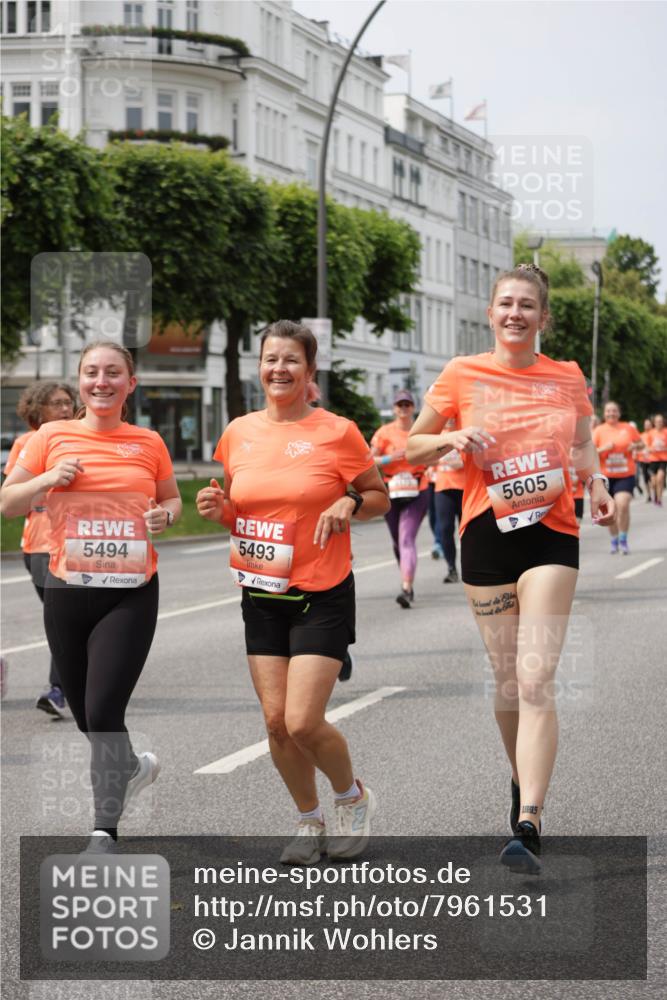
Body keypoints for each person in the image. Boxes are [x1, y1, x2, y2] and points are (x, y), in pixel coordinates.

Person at [407, 264, 615, 874]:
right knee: (506, 682)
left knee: (533, 678)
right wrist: (451, 439)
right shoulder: (461, 373)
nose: (515, 313)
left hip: (552, 536)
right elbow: (412, 446)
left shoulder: (567, 376)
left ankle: (529, 819)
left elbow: (582, 443)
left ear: (543, 317)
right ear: (491, 312)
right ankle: (522, 776)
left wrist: (596, 482)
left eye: (527, 305)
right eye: (506, 303)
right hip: (486, 537)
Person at [196, 320, 388, 865]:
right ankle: (309, 819)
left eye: (291, 360)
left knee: (303, 720)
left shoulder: (337, 432)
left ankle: (352, 798)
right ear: (259, 366)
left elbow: (378, 497)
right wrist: (221, 512)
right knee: (277, 724)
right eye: (271, 359)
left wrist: (349, 502)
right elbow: (243, 512)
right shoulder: (238, 433)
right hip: (261, 591)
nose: (279, 369)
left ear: (310, 370)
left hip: (321, 590)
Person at [1, 342, 182, 852]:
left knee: (103, 711)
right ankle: (131, 767)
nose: (101, 381)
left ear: (130, 383)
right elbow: (8, 502)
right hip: (66, 588)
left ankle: (104, 831)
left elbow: (171, 498)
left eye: (113, 372)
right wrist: (46, 479)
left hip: (130, 592)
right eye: (91, 372)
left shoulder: (148, 441)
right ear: (80, 381)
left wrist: (165, 515)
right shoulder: (50, 437)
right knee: (84, 715)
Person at [3, 381, 76, 717]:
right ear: (37, 410)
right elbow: (12, 498)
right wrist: (48, 480)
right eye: (56, 403)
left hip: (78, 543)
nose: (65, 408)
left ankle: (59, 689)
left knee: (64, 620)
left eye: (68, 402)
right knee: (62, 620)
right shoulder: (26, 444)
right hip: (39, 546)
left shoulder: (82, 439)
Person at [370, 390, 429, 607]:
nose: (403, 408)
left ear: (413, 407)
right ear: (394, 408)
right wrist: (389, 458)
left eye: (407, 404)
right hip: (392, 490)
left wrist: (423, 459)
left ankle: (406, 588)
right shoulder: (384, 432)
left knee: (406, 538)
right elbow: (369, 460)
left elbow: (435, 454)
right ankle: (407, 578)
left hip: (418, 489)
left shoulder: (422, 431)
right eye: (399, 405)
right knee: (397, 541)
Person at [592, 402, 642, 554]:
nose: (611, 413)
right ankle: (614, 539)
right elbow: (590, 453)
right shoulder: (599, 430)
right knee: (610, 511)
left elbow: (642, 444)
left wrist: (635, 446)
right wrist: (604, 448)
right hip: (605, 478)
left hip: (625, 475)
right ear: (604, 414)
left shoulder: (628, 428)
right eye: (608, 411)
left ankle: (623, 539)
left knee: (622, 504)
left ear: (619, 413)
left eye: (614, 411)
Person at [432, 419, 466, 583]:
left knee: (468, 531)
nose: (449, 418)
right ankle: (451, 568)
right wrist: (431, 465)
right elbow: (426, 458)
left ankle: (469, 567)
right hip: (444, 488)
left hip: (466, 487)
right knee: (445, 529)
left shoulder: (465, 429)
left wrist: (462, 461)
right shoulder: (436, 435)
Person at [646, 413, 667, 506]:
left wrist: (663, 448)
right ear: (654, 423)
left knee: (660, 478)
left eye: (661, 421)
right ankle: (655, 495)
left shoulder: (666, 432)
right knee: (654, 482)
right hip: (653, 460)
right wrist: (651, 448)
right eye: (657, 421)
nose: (659, 423)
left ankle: (659, 499)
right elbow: (647, 447)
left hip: (663, 459)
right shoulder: (651, 433)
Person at [638, 418, 654, 503]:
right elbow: (638, 447)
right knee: (645, 478)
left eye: (648, 424)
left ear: (651, 425)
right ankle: (648, 495)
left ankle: (655, 492)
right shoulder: (641, 435)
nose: (647, 426)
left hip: (653, 459)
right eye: (646, 424)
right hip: (643, 459)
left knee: (653, 478)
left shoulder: (655, 434)